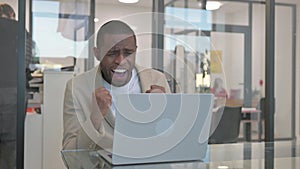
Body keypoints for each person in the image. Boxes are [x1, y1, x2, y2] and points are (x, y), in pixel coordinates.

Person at [63, 20, 171, 150]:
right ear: (97, 53)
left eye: (128, 53)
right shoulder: (77, 88)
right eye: (112, 53)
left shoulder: (157, 79)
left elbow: (171, 140)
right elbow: (70, 154)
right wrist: (95, 119)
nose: (121, 61)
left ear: (136, 51)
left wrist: (163, 114)